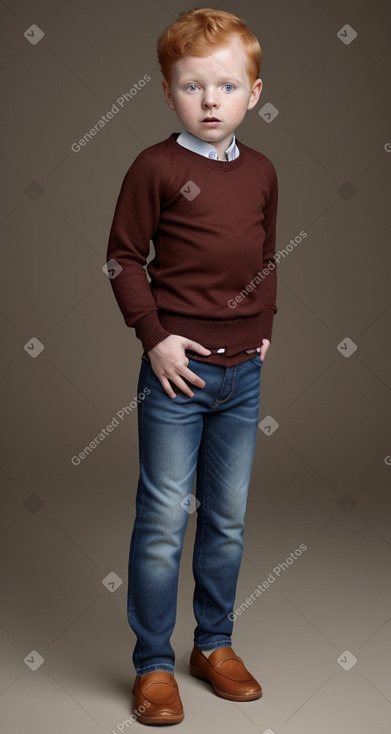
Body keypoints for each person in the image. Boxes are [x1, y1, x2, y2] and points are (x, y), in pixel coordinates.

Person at [106, 7, 278, 725]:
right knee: (161, 521)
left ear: (253, 93)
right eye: (192, 87)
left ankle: (213, 644)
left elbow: (265, 256)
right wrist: (154, 338)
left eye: (226, 86)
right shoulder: (155, 166)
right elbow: (121, 258)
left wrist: (264, 326)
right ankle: (152, 661)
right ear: (168, 93)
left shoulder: (263, 171)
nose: (210, 101)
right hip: (177, 375)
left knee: (228, 519)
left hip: (243, 377)